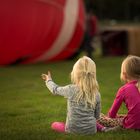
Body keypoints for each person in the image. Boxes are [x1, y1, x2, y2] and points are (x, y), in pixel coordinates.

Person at [41, 56, 111, 135]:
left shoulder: (71, 89)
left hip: (72, 130)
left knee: (54, 124)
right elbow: (97, 117)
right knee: (92, 120)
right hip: (91, 130)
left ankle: (104, 129)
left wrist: (48, 80)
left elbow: (55, 89)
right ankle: (104, 129)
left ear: (75, 74)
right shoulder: (97, 94)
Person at [98, 55, 140, 130]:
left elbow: (112, 114)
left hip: (133, 124)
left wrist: (110, 118)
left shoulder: (124, 89)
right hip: (135, 120)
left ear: (124, 74)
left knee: (98, 117)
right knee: (123, 116)